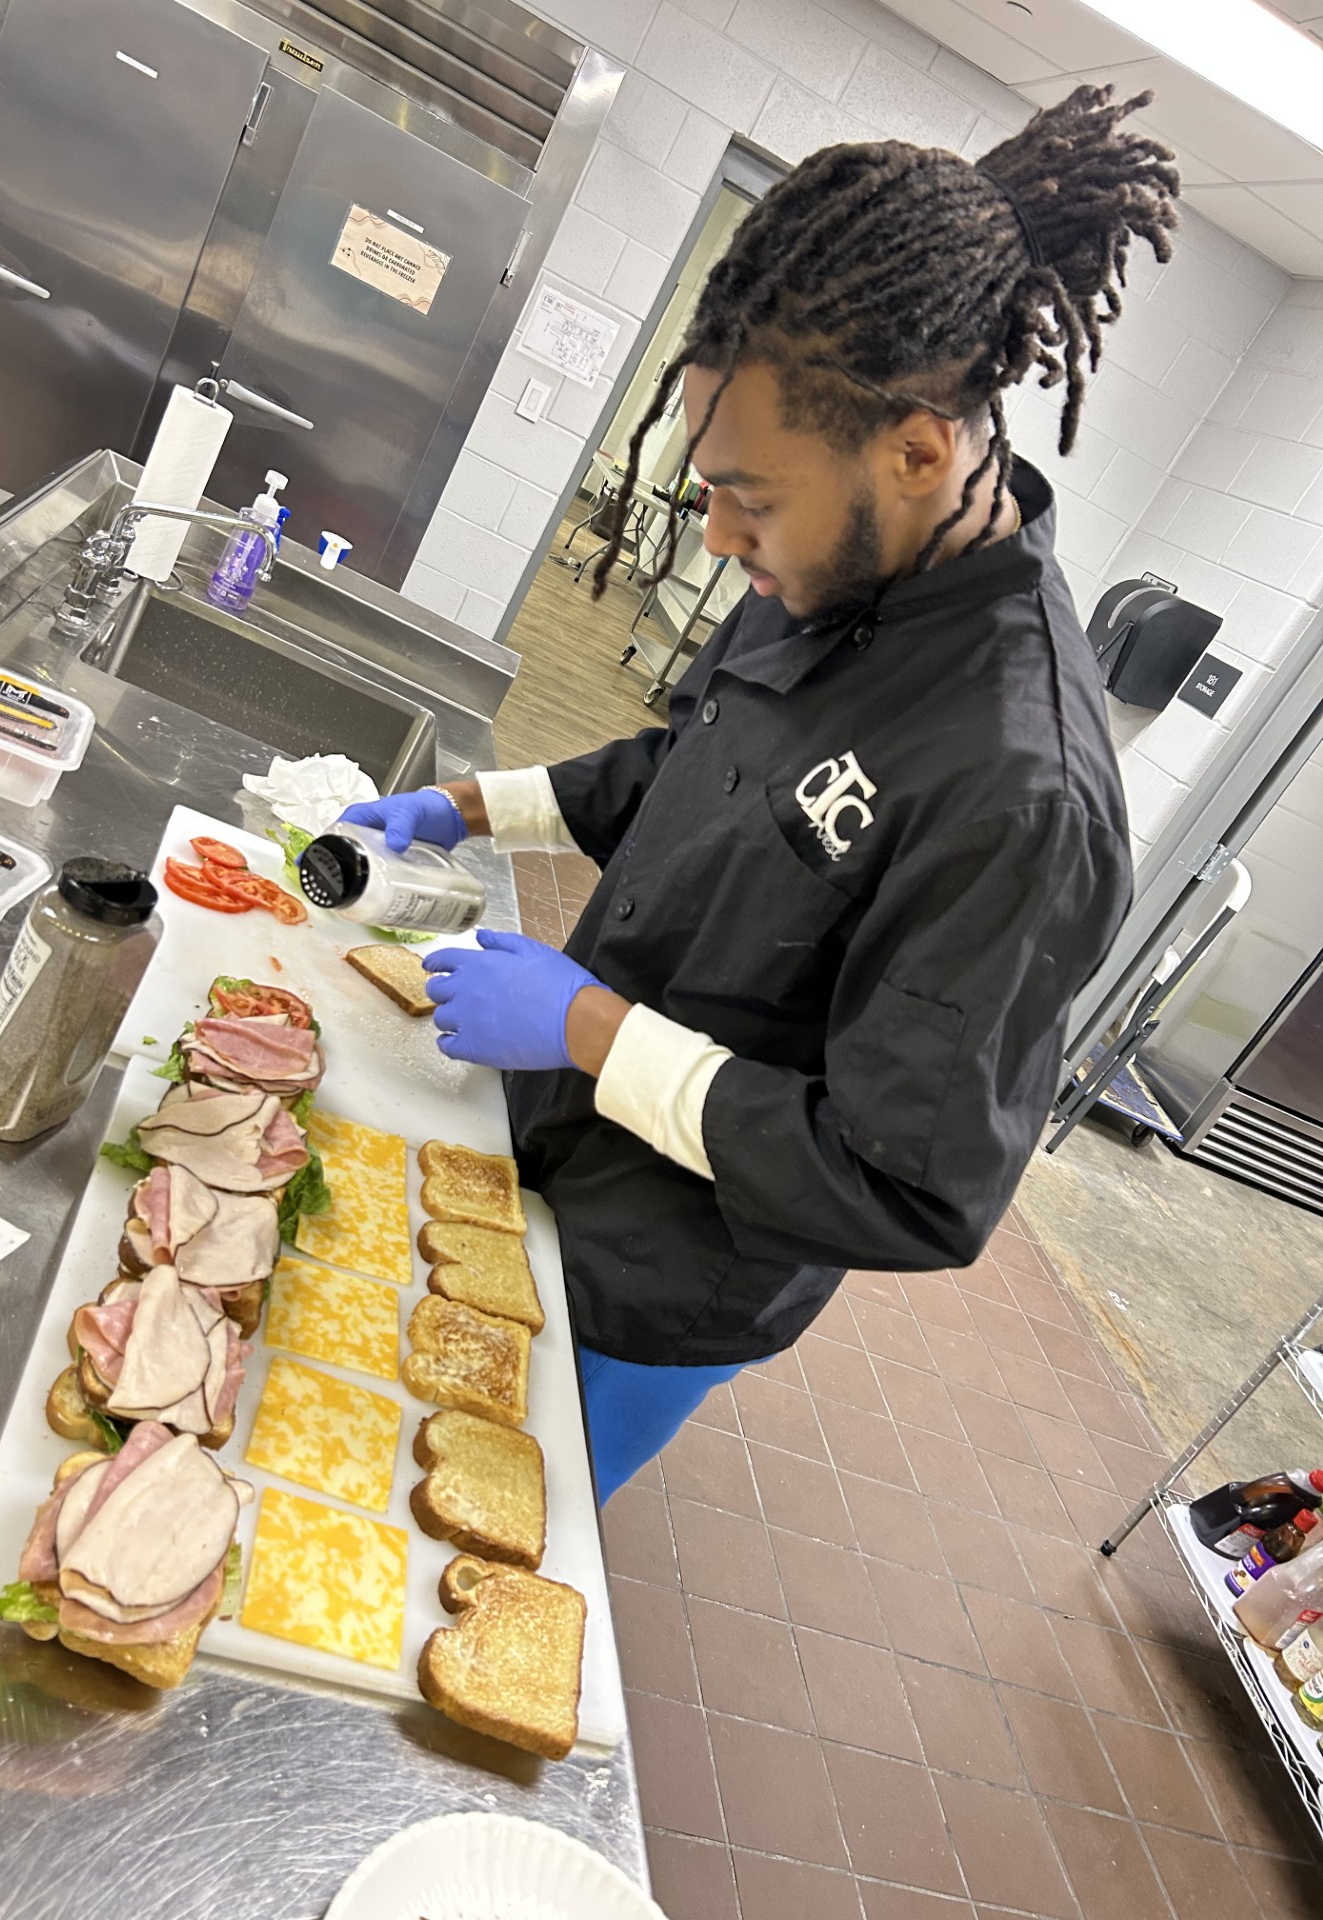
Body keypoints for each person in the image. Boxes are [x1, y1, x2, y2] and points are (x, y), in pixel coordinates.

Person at [348, 86, 1178, 1503]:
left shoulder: (1021, 791)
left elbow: (909, 1187)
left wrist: (597, 1029)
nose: (721, 535)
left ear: (920, 450)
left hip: (657, 1280)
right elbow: (696, 771)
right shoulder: (831, 565)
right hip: (545, 1140)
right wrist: (475, 809)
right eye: (709, 491)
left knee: (460, 1543)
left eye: (753, 497)